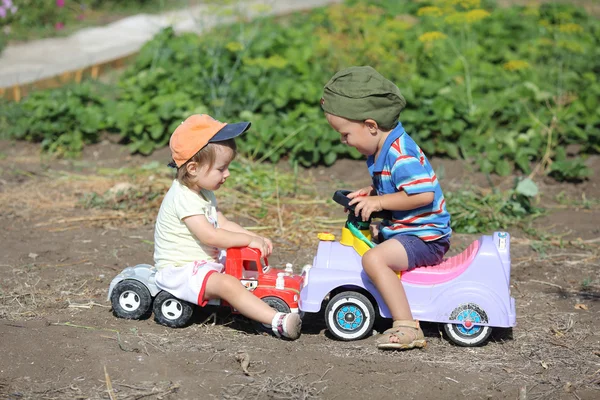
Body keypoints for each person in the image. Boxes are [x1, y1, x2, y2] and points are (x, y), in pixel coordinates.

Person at [320, 66, 451, 350]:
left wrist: (378, 202)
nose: (343, 142)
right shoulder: (384, 148)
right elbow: (397, 188)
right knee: (366, 245)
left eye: (345, 134)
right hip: (407, 231)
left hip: (425, 238)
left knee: (374, 259)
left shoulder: (400, 153)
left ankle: (406, 325)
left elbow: (422, 195)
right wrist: (371, 193)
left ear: (370, 125)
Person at [153, 114, 302, 339]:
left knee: (245, 271)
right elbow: (210, 236)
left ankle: (264, 299)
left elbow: (222, 223)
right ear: (193, 168)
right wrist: (247, 240)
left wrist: (253, 236)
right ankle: (276, 319)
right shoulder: (182, 198)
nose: (228, 174)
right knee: (228, 284)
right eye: (221, 169)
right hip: (180, 269)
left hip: (203, 262)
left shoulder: (203, 192)